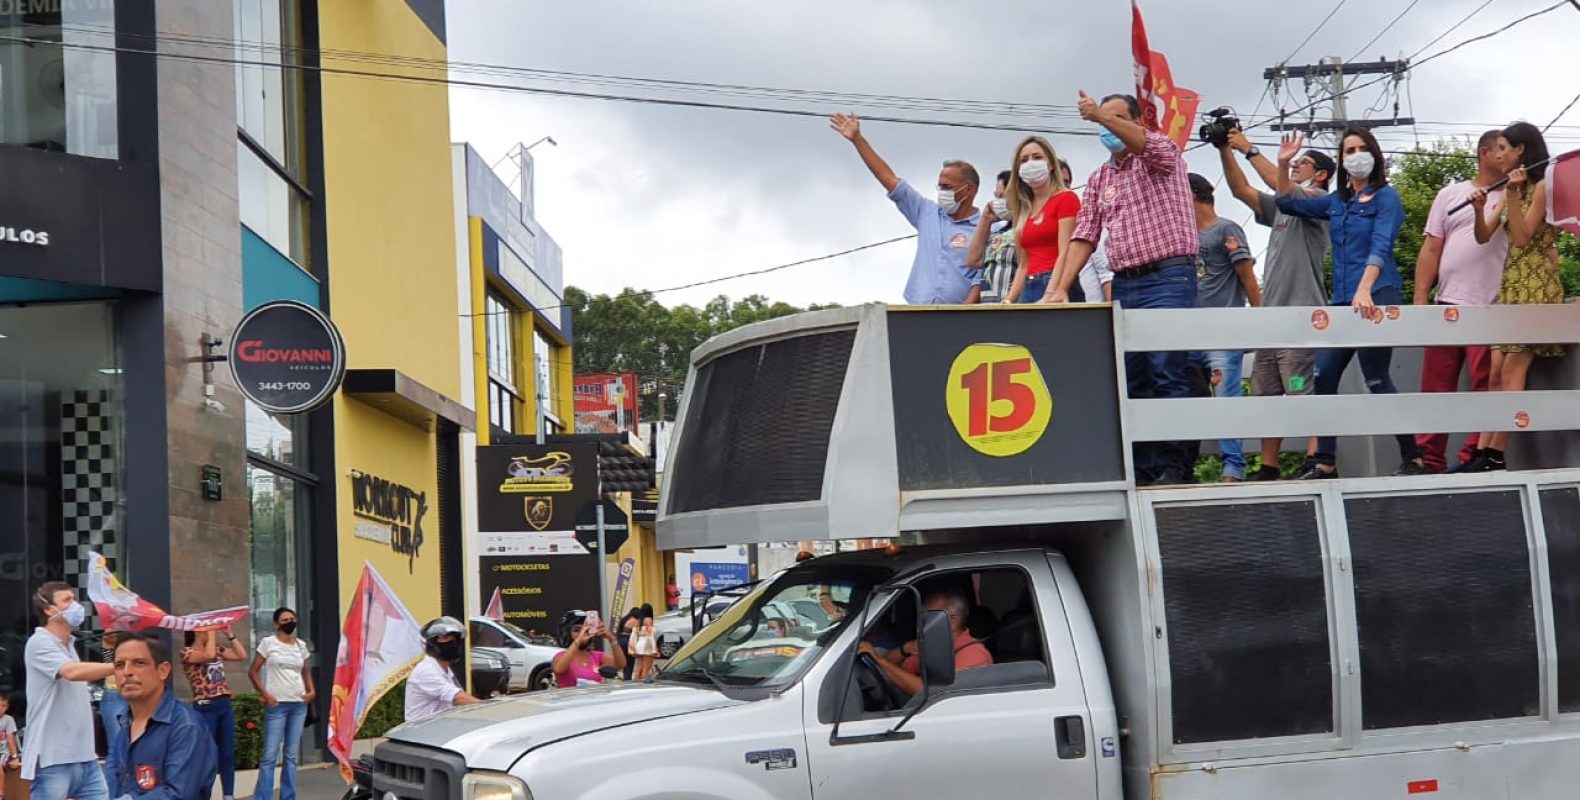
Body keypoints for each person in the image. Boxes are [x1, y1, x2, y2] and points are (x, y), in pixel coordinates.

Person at [1058, 91, 1201, 485]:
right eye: (1105, 120)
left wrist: (1100, 116)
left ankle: (1174, 466)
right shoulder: (1100, 177)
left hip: (1168, 277)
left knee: (1166, 370)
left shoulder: (1160, 152)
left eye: (1117, 118)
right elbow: (1084, 234)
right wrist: (1061, 286)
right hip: (1126, 283)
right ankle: (1143, 467)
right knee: (1132, 376)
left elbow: (1150, 146)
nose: (1108, 126)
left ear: (1139, 122)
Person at [1277, 129, 1425, 478]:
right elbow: (1288, 203)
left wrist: (1366, 289)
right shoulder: (1337, 202)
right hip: (1343, 299)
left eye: (1361, 149)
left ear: (1373, 154)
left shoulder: (1387, 198)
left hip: (1377, 294)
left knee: (1376, 378)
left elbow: (1381, 243)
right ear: (1342, 161)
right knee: (1323, 375)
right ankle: (1325, 461)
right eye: (1349, 150)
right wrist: (1283, 165)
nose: (1356, 155)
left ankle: (1413, 457)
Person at [1220, 128, 1332, 479]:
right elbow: (1241, 192)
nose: (1296, 165)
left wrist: (1250, 150)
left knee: (1301, 391)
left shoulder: (1319, 202)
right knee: (1267, 396)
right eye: (1295, 162)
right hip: (1271, 319)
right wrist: (1226, 149)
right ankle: (1270, 467)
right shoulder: (1284, 207)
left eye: (1304, 162)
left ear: (1322, 174)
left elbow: (1285, 188)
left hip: (1300, 319)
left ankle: (1319, 461)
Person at [1410, 129, 1510, 473]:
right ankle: (1429, 458)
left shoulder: (1514, 194)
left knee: (1486, 382)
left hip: (1490, 304)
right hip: (1447, 301)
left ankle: (1471, 456)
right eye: (1500, 148)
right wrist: (1421, 295)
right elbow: (1431, 247)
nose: (1506, 154)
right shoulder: (1450, 194)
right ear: (1484, 153)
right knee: (1436, 386)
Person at [1466, 122, 1562, 472]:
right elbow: (1482, 236)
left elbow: (1522, 238)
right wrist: (1479, 208)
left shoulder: (1541, 186)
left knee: (1512, 367)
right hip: (1511, 282)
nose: (1499, 154)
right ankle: (1481, 450)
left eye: (1504, 148)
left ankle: (1497, 454)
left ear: (1521, 150)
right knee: (1494, 371)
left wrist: (1511, 196)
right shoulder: (1512, 188)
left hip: (1535, 281)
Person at [830, 112, 982, 304]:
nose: (941, 191)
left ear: (968, 189)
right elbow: (888, 178)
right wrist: (857, 140)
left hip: (961, 317)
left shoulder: (987, 228)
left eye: (948, 187)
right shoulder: (926, 212)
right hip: (918, 312)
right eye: (940, 186)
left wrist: (966, 313)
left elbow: (983, 277)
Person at [1186, 173, 1260, 481]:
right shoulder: (1184, 237)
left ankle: (1233, 467)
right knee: (1190, 398)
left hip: (1223, 330)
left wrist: (1259, 319)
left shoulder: (1226, 229)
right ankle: (1185, 465)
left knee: (1226, 397)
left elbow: (1247, 276)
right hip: (1190, 333)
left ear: (1192, 196)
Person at [22, 581, 114, 800]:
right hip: (53, 758)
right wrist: (119, 666)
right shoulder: (39, 642)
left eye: (74, 599)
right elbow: (71, 672)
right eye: (67, 600)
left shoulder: (69, 645)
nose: (76, 605)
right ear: (48, 609)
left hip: (85, 757)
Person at [104, 632, 217, 799]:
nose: (127, 672)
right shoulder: (124, 723)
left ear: (163, 670)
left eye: (139, 663)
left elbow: (177, 794)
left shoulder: (186, 727)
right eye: (120, 665)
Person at [992, 136, 1081, 304]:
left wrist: (1050, 293)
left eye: (1037, 157)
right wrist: (1009, 301)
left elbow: (1065, 253)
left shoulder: (1066, 198)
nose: (1030, 163)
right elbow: (1023, 265)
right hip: (1029, 285)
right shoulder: (1024, 207)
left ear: (1051, 164)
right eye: (1024, 160)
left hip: (1055, 283)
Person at [857, 589, 992, 698]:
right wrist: (904, 649)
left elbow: (932, 693)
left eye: (928, 617)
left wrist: (880, 661)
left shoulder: (974, 654)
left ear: (952, 621)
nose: (921, 623)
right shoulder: (934, 645)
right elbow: (895, 672)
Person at [247, 607, 315, 800]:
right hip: (277, 705)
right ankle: (262, 797)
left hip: (298, 704)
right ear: (276, 623)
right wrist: (265, 694)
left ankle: (288, 796)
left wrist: (311, 691)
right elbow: (253, 671)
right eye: (285, 620)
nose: (289, 622)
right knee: (270, 755)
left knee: (291, 756)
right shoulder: (268, 643)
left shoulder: (301, 645)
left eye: (292, 619)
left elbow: (306, 671)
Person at [179, 628, 246, 800]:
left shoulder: (215, 648)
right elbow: (208, 655)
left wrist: (230, 634)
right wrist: (211, 634)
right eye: (204, 630)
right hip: (205, 705)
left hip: (223, 704)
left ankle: (229, 795)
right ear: (194, 632)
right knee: (206, 756)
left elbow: (241, 654)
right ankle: (201, 795)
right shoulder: (187, 652)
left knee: (227, 753)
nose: (208, 633)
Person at [404, 618, 481, 724]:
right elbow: (458, 698)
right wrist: (487, 708)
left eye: (454, 638)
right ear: (432, 643)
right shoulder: (426, 671)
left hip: (438, 730)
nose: (451, 642)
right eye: (445, 638)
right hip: (421, 734)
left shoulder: (445, 671)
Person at [964, 170, 1018, 304]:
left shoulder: (1029, 231)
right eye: (996, 196)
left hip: (1014, 308)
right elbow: (973, 260)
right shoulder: (999, 233)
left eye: (1002, 197)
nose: (997, 202)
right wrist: (985, 219)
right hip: (989, 308)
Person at [551, 611, 627, 688]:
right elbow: (559, 669)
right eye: (577, 630)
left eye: (587, 630)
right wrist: (578, 641)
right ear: (567, 633)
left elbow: (620, 664)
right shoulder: (561, 656)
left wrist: (611, 639)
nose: (583, 633)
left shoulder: (596, 656)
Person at [631, 605, 658, 680]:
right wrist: (654, 649)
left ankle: (635, 682)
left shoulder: (639, 620)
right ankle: (643, 684)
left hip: (639, 644)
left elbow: (635, 633)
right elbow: (650, 636)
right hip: (647, 645)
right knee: (646, 668)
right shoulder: (649, 620)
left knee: (639, 667)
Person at [0, 694, 18, 800]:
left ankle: (0, 794)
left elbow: (10, 739)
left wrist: (15, 757)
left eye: (4, 706)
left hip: (3, 752)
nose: (1, 708)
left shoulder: (8, 720)